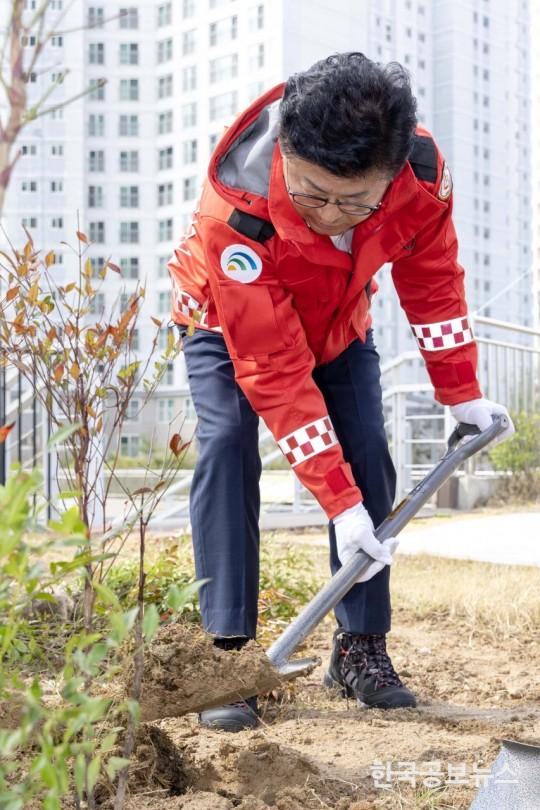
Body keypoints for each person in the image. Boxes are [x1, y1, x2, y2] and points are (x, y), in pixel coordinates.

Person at [167, 53, 514, 732]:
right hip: (227, 320)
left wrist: (461, 392)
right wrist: (336, 500)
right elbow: (270, 364)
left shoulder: (419, 177)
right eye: (311, 193)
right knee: (228, 445)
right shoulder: (235, 211)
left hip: (336, 319)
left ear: (388, 174)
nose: (329, 214)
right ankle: (230, 657)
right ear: (287, 152)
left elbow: (432, 277)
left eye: (352, 201)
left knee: (367, 451)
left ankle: (359, 648)